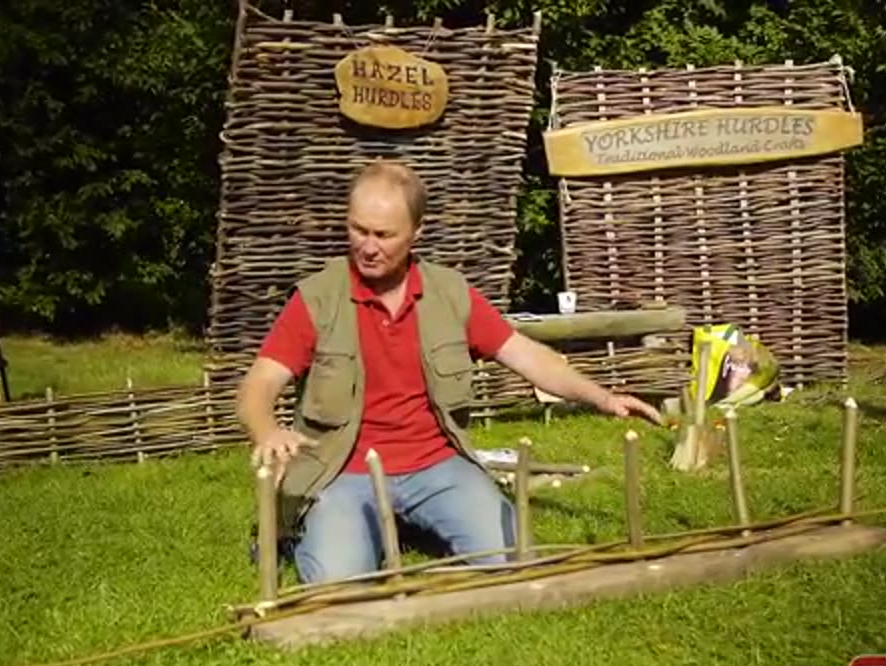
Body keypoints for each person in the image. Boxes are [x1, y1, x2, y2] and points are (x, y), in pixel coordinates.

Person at [236, 161, 662, 584]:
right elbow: (258, 385)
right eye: (358, 230)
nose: (367, 246)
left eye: (384, 235)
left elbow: (527, 356)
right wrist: (268, 431)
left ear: (416, 233)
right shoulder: (317, 299)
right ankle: (308, 531)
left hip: (435, 465)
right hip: (343, 473)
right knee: (340, 584)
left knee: (513, 561)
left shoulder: (450, 294)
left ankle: (411, 522)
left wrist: (603, 397)